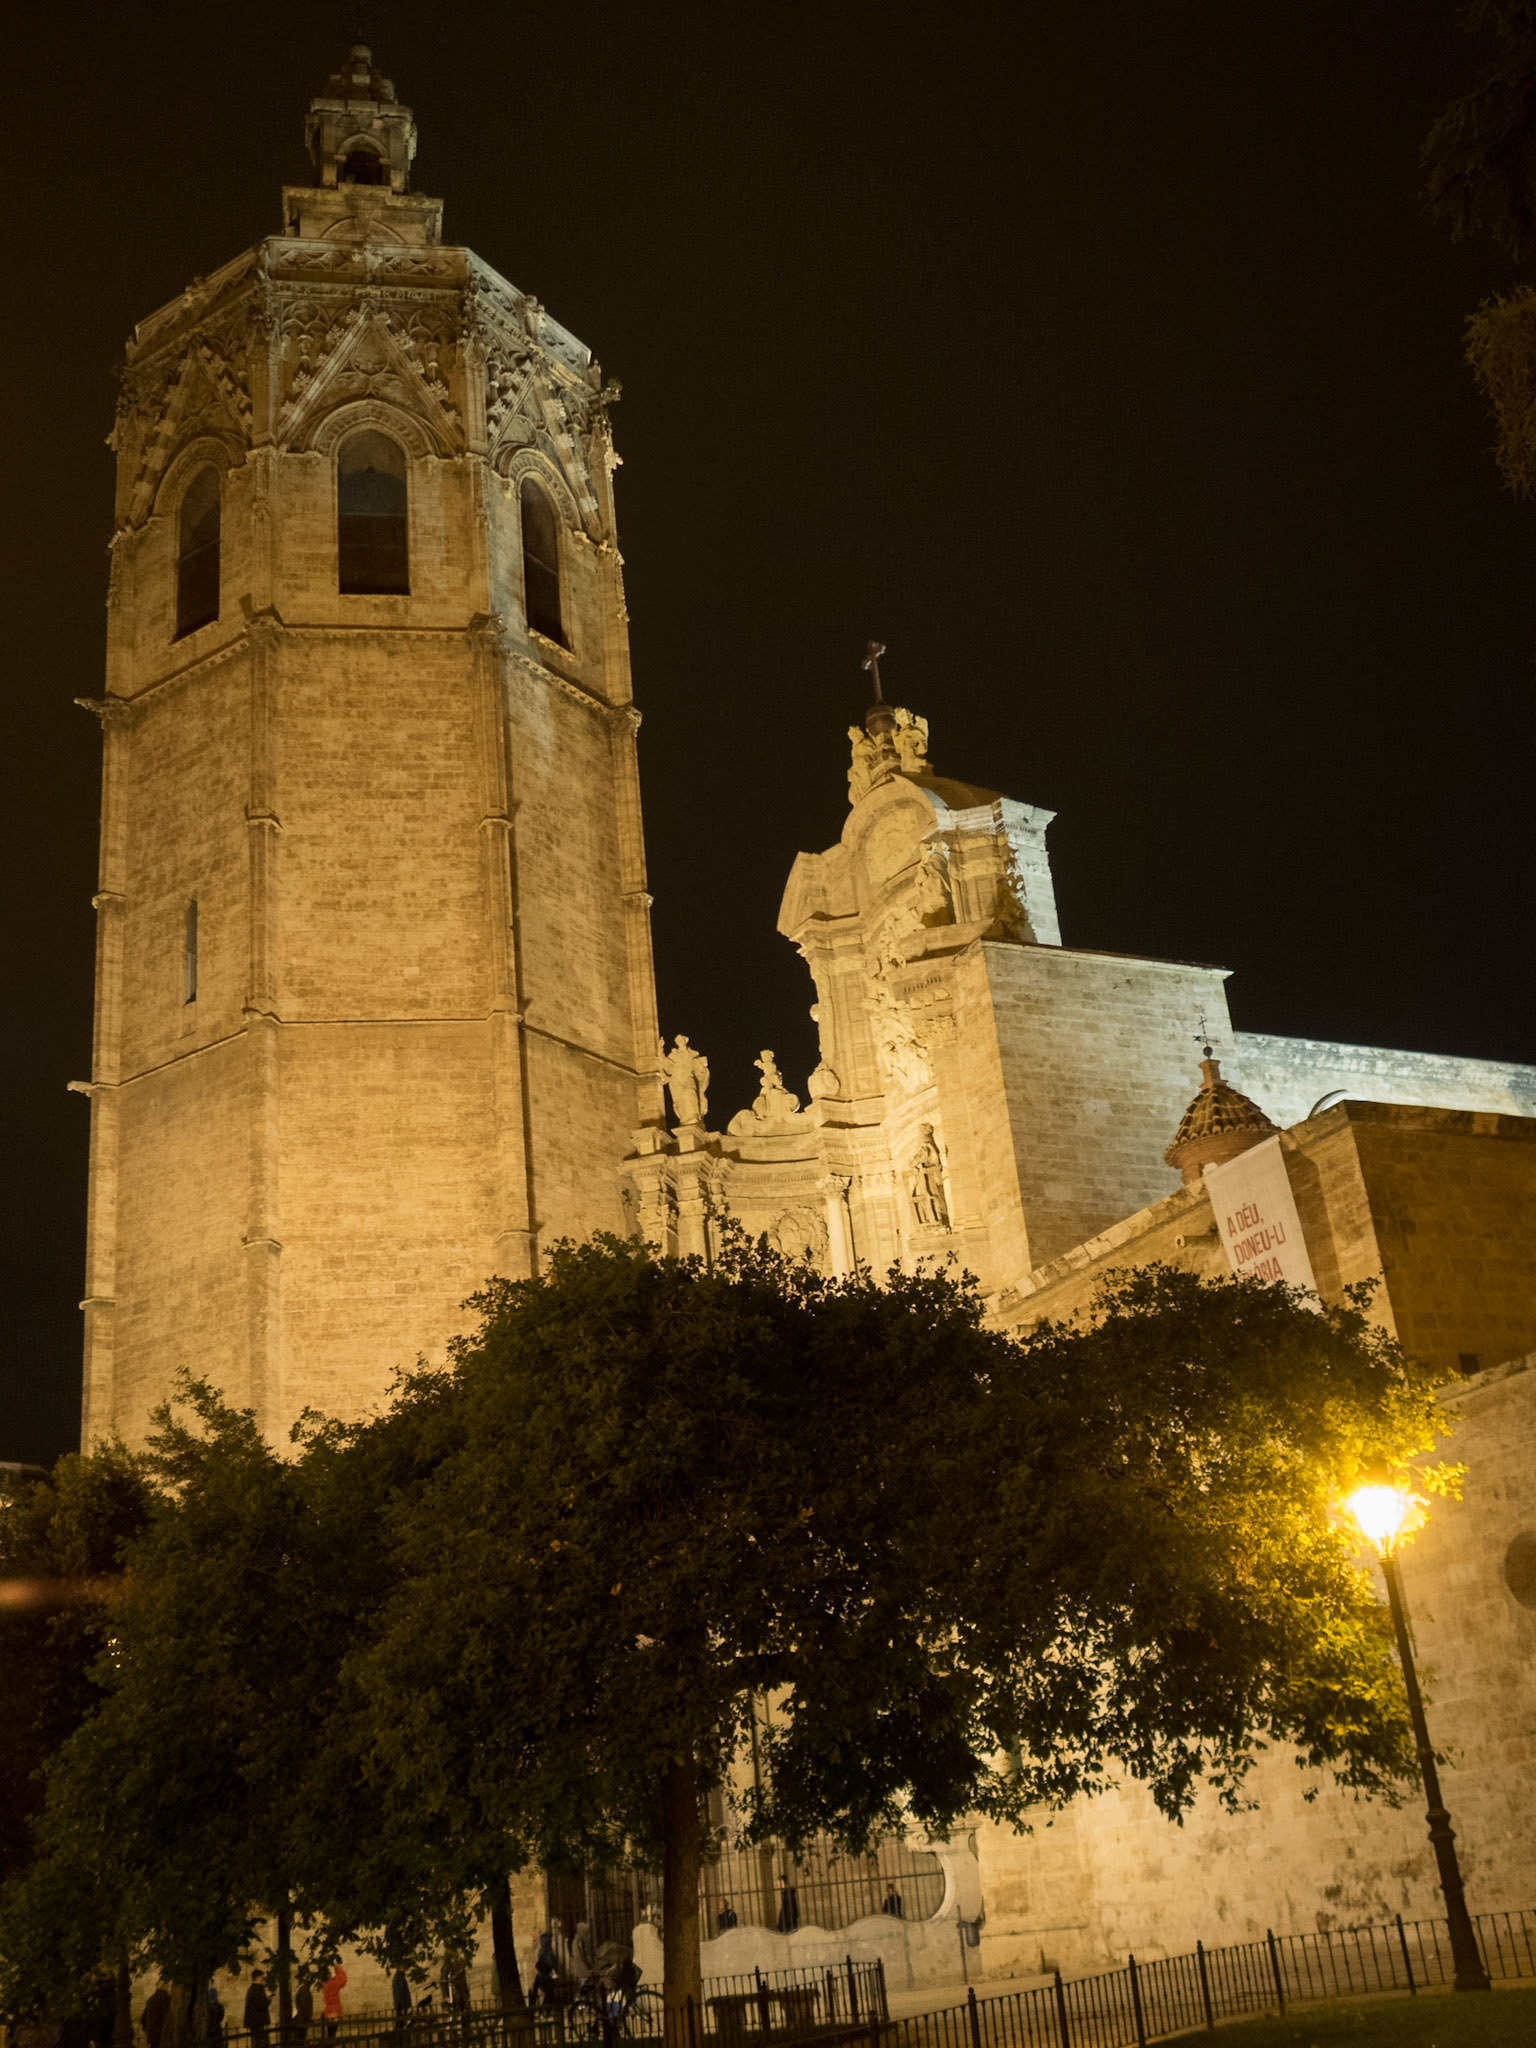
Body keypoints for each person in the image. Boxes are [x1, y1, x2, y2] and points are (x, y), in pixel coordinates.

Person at [531, 1934, 559, 2010]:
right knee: (550, 1994)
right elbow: (552, 1965)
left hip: (540, 1977)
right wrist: (554, 1975)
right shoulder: (549, 1952)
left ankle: (542, 2011)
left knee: (549, 1995)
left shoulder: (541, 1951)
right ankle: (544, 2011)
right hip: (546, 1977)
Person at [243, 1973, 272, 2048]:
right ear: (258, 1978)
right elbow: (260, 2005)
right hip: (258, 2021)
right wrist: (268, 1999)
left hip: (256, 2022)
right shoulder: (256, 1989)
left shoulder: (253, 1989)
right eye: (262, 1978)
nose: (263, 1980)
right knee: (260, 2043)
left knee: (258, 2042)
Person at [320, 1965, 347, 2040]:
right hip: (334, 2010)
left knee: (329, 2032)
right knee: (332, 2034)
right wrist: (338, 1968)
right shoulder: (333, 1983)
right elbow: (343, 1979)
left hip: (328, 2010)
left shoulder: (324, 1983)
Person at [140, 1983, 171, 2048]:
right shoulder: (167, 1998)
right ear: (166, 1987)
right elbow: (165, 2016)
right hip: (162, 2034)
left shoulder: (151, 1999)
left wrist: (146, 2029)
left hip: (152, 2034)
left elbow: (143, 2018)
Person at [293, 1981, 314, 2046]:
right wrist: (308, 2019)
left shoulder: (300, 1989)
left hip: (299, 2018)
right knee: (301, 2039)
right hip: (303, 2019)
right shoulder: (305, 1990)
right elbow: (304, 2007)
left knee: (299, 2039)